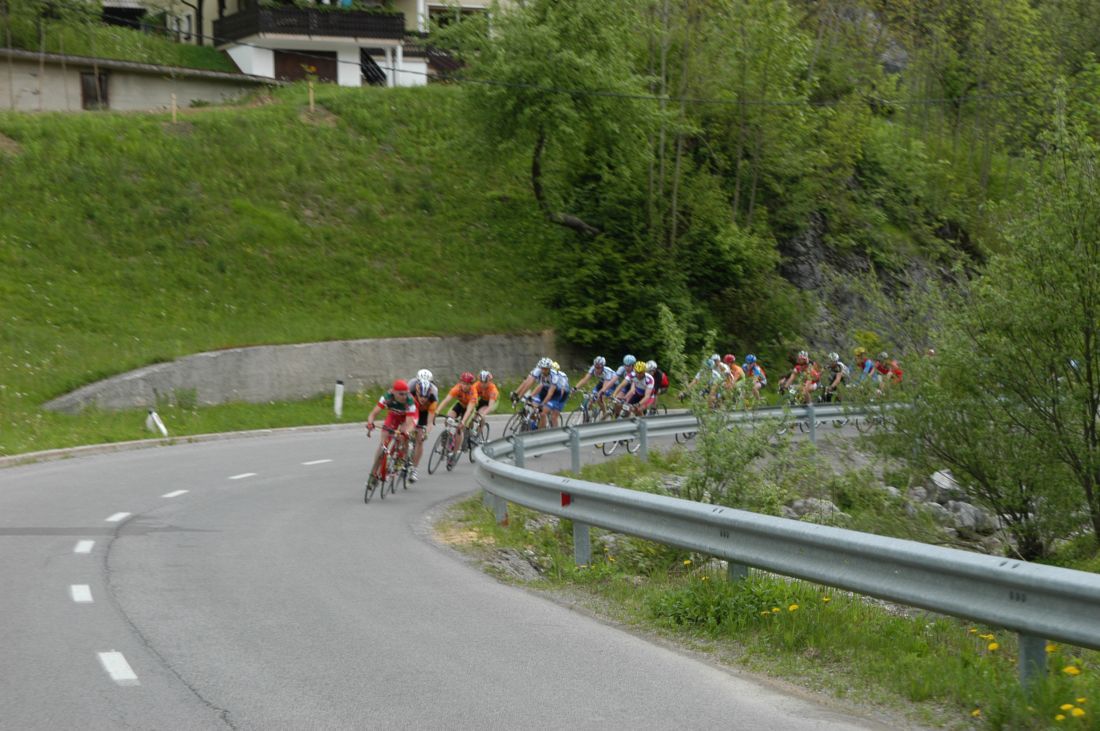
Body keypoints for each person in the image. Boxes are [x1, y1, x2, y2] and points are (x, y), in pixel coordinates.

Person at [365, 379, 418, 482]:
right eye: (401, 394)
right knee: (382, 445)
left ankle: (401, 458)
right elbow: (373, 414)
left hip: (407, 418)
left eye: (406, 393)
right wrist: (370, 423)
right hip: (394, 415)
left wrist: (406, 432)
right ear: (393, 392)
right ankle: (373, 473)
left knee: (403, 434)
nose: (404, 396)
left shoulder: (409, 401)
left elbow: (409, 423)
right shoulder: (386, 398)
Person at [407, 368, 437, 482]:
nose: (423, 398)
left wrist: (426, 433)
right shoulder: (411, 386)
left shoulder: (433, 394)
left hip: (425, 412)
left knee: (420, 439)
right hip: (412, 407)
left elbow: (430, 422)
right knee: (405, 430)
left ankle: (414, 469)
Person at [436, 371, 479, 450]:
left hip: (469, 409)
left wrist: (463, 422)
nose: (465, 386)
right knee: (448, 419)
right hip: (460, 405)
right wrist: (437, 411)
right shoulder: (457, 388)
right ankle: (449, 437)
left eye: (467, 384)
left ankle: (455, 451)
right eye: (463, 383)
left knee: (459, 428)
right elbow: (446, 400)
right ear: (460, 382)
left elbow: (469, 410)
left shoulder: (473, 393)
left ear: (471, 384)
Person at [465, 370, 499, 443]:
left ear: (489, 381)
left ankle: (477, 435)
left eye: (485, 382)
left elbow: (490, 406)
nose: (483, 384)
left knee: (481, 414)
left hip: (492, 402)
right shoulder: (476, 385)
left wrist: (482, 414)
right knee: (471, 415)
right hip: (482, 399)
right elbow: (470, 398)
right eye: (481, 382)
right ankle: (469, 432)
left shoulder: (493, 390)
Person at [541, 362, 572, 427]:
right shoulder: (548, 375)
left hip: (562, 395)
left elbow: (561, 391)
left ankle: (556, 431)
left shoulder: (562, 377)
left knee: (554, 416)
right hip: (554, 391)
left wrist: (555, 404)